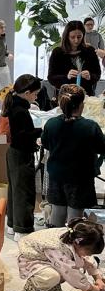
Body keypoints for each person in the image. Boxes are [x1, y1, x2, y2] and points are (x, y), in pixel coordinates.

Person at [41, 84, 105, 227]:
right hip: (80, 178)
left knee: (57, 211)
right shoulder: (90, 127)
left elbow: (45, 144)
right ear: (82, 105)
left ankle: (53, 238)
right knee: (75, 219)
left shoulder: (51, 124)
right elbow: (102, 147)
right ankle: (73, 239)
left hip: (57, 176)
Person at [18, 218, 105, 291]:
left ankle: (53, 288)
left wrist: (97, 278)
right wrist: (91, 289)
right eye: (88, 252)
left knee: (66, 267)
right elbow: (71, 273)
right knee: (53, 276)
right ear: (77, 244)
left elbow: (87, 258)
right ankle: (31, 288)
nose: (89, 255)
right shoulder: (58, 248)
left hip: (51, 258)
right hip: (33, 258)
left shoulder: (76, 237)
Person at [2, 75, 42, 240]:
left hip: (14, 152)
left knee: (15, 190)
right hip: (21, 153)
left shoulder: (15, 105)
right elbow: (22, 136)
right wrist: (40, 131)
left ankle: (13, 224)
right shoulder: (21, 111)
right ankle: (22, 229)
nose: (36, 97)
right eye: (35, 94)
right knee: (24, 192)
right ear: (27, 93)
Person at [47, 20, 100, 97]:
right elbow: (51, 78)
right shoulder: (57, 52)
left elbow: (97, 74)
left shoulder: (90, 51)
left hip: (86, 96)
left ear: (83, 35)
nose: (76, 40)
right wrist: (67, 77)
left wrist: (90, 76)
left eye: (79, 37)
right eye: (72, 37)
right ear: (66, 36)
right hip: (65, 98)